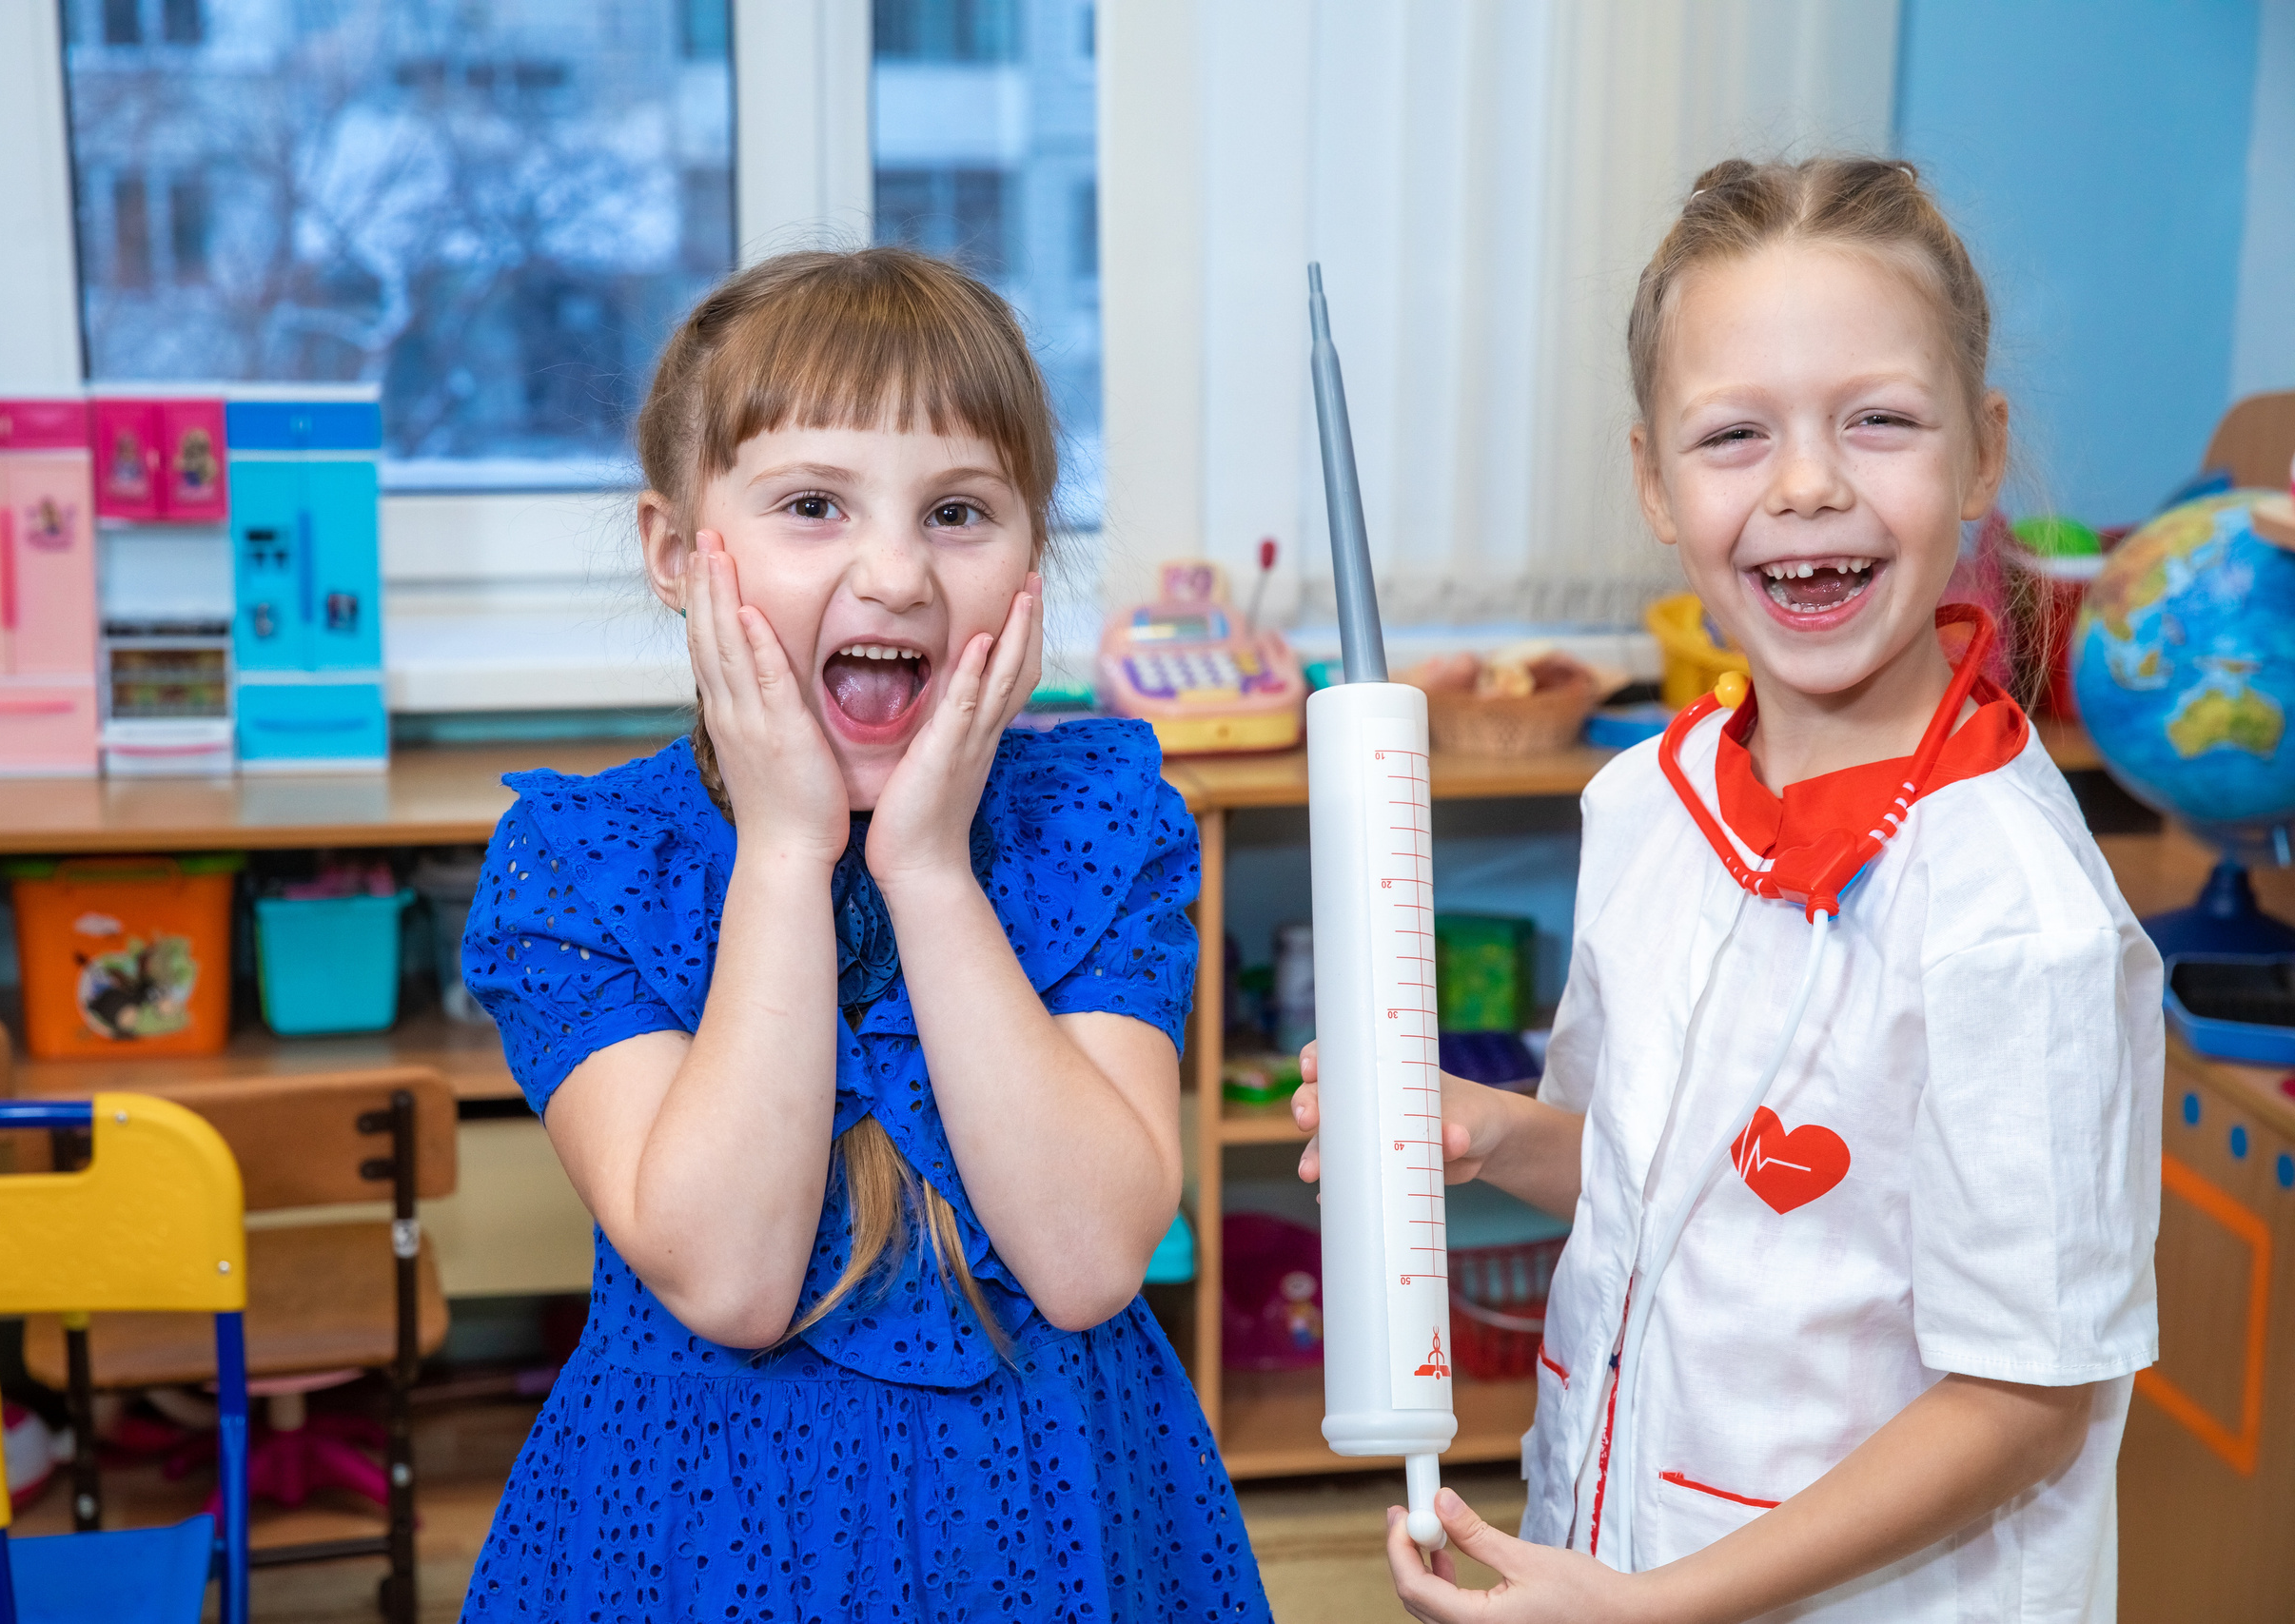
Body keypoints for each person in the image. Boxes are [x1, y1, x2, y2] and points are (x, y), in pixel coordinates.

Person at [1293, 156, 2161, 1621]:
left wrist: (1658, 1605)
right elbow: (1656, 1181)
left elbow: (2026, 1404)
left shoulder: (2019, 916)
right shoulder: (1649, 802)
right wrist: (1500, 1133)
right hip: (1616, 1554)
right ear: (1652, 478)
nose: (1807, 483)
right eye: (1734, 434)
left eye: (1879, 420)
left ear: (1983, 452)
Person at [459, 247, 1268, 1620]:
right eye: (814, 504)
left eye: (959, 511)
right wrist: (785, 853)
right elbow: (729, 1278)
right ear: (674, 552)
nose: (894, 573)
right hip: (700, 1536)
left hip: (1059, 1521)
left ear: (1032, 560)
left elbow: (1085, 1264)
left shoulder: (1106, 823)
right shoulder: (583, 863)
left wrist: (933, 873)